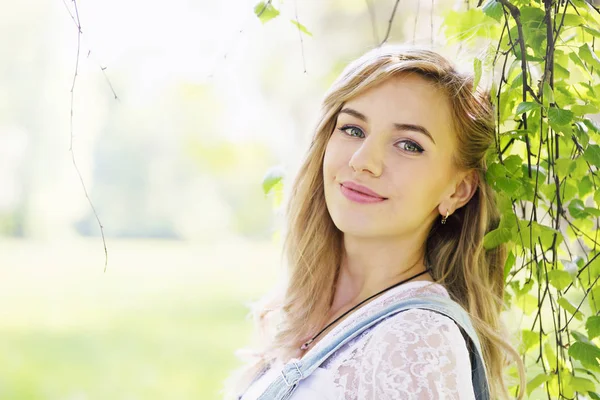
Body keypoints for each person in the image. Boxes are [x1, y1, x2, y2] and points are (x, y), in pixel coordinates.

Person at [222, 43, 526, 400]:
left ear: (458, 190)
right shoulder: (308, 311)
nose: (363, 161)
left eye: (409, 145)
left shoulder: (418, 341)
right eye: (353, 129)